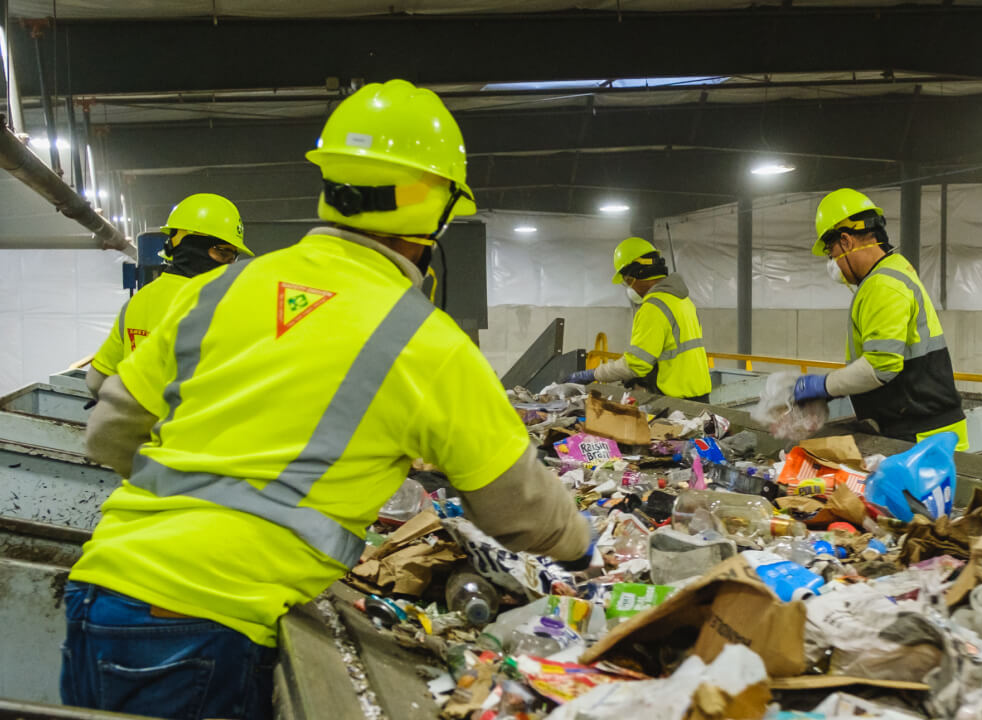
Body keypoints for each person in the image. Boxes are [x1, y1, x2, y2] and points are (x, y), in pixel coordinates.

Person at [67, 80, 590, 720]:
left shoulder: (224, 288)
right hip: (206, 623)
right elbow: (522, 511)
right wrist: (583, 547)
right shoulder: (425, 340)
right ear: (436, 210)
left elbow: (108, 433)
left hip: (101, 588)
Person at [790, 189, 970, 450]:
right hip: (923, 429)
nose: (833, 264)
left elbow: (880, 367)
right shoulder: (893, 270)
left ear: (846, 241)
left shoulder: (882, 284)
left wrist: (825, 386)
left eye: (831, 252)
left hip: (923, 436)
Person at [87, 193, 251, 396]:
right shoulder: (225, 307)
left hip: (140, 425)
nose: (229, 264)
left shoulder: (135, 304)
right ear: (191, 244)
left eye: (233, 257)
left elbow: (95, 381)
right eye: (223, 252)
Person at [563, 236, 713, 400]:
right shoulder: (682, 300)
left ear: (640, 274)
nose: (630, 288)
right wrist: (647, 376)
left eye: (629, 281)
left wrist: (593, 374)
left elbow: (636, 364)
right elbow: (673, 351)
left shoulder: (653, 307)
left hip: (678, 402)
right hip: (700, 396)